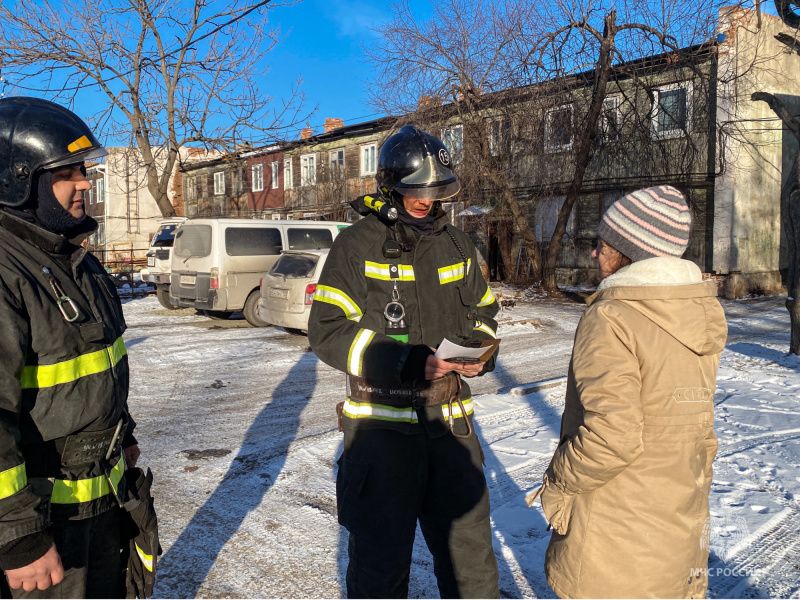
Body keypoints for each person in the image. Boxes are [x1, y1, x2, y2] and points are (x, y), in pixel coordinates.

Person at [309, 125, 500, 599]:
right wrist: (407, 361)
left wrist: (479, 352)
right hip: (381, 438)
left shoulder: (456, 244)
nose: (424, 199)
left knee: (471, 567)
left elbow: (485, 313)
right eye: (415, 189)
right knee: (379, 573)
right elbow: (328, 331)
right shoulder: (356, 245)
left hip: (451, 430)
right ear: (392, 185)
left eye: (434, 190)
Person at [527, 185, 728, 598]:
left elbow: (612, 437)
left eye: (603, 244)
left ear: (629, 251)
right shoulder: (696, 312)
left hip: (614, 536)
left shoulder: (612, 317)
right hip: (677, 525)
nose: (595, 253)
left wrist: (558, 483)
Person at [0, 97, 140, 598]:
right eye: (67, 172)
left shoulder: (75, 260)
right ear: (19, 181)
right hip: (44, 529)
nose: (85, 182)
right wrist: (17, 537)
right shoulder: (6, 270)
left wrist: (122, 432)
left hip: (101, 504)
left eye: (83, 169)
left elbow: (99, 363)